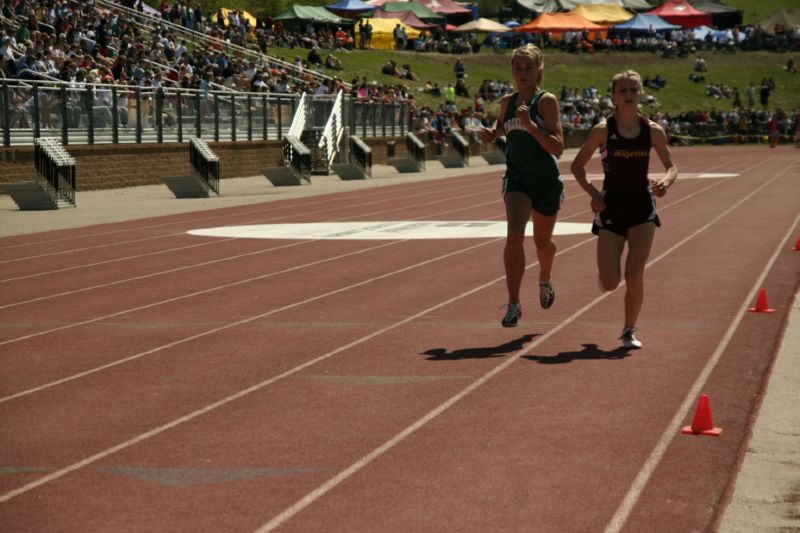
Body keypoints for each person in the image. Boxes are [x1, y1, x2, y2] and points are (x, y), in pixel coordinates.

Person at [570, 70, 678, 349]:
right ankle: (605, 277)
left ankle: (629, 330)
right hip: (612, 207)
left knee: (634, 273)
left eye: (634, 90)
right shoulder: (602, 130)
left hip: (642, 208)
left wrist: (665, 182)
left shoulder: (653, 130)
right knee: (610, 283)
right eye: (623, 91)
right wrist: (594, 193)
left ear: (641, 94)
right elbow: (576, 166)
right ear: (613, 97)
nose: (629, 95)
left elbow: (672, 166)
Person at [479, 44, 565, 327]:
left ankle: (545, 277)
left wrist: (530, 125)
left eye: (529, 67)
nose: (523, 73)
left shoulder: (546, 101)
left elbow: (558, 148)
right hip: (517, 179)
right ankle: (514, 303)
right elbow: (500, 125)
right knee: (514, 236)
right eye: (518, 67)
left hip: (546, 183)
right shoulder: (508, 101)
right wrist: (492, 134)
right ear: (512, 71)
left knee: (543, 243)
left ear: (539, 70)